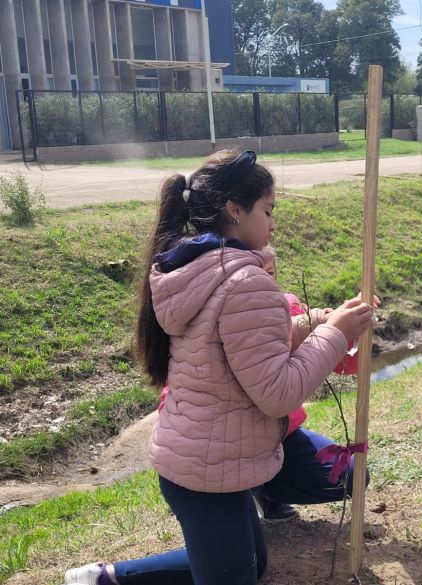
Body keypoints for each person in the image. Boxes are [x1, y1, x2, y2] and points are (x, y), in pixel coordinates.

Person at [64, 149, 374, 585]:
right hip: (208, 473)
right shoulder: (244, 282)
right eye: (268, 210)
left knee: (249, 566)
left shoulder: (198, 268)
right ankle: (96, 578)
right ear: (234, 210)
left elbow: (244, 347)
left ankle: (105, 578)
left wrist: (321, 322)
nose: (273, 223)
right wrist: (336, 335)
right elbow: (278, 393)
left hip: (205, 461)